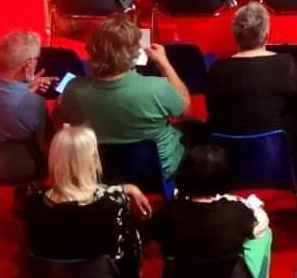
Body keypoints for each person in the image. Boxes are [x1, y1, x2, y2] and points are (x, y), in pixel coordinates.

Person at [151, 143, 273, 278]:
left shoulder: (167, 213)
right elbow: (261, 224)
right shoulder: (238, 212)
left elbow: (154, 234)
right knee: (264, 235)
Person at [58, 13, 195, 179]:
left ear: (92, 49)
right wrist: (163, 63)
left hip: (97, 174)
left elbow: (60, 122)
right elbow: (185, 109)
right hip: (156, 174)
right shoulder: (157, 88)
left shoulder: (73, 90)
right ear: (135, 51)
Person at [24, 125, 147, 278]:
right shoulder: (115, 205)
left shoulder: (34, 202)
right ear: (92, 159)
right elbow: (129, 254)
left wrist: (125, 188)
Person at [205, 2, 297, 174]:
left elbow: (212, 111)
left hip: (230, 159)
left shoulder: (216, 69)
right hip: (277, 157)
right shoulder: (286, 63)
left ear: (235, 36)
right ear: (266, 34)